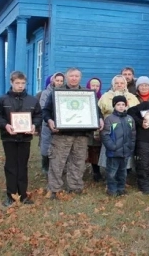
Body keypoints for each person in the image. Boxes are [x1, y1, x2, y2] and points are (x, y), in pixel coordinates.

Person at [42, 67, 104, 199]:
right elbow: (46, 111)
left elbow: (97, 111)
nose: (74, 78)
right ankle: (54, 188)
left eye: (77, 76)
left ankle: (75, 186)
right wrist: (50, 121)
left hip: (81, 134)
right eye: (71, 76)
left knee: (78, 161)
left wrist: (100, 119)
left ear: (80, 78)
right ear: (67, 77)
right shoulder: (57, 92)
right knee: (57, 162)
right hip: (61, 135)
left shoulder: (88, 94)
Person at [0, 71, 42, 206]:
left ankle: (23, 195)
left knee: (23, 166)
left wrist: (34, 125)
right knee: (11, 166)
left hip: (25, 138)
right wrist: (5, 125)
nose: (20, 86)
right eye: (17, 83)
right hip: (9, 138)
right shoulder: (2, 100)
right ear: (11, 83)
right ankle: (11, 195)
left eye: (23, 83)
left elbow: (38, 115)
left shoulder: (32, 100)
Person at [98, 75, 139, 169]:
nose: (119, 85)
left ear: (125, 84)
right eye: (117, 83)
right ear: (113, 84)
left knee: (125, 158)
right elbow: (99, 113)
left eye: (122, 83)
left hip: (126, 131)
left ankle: (124, 177)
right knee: (110, 154)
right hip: (110, 131)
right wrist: (97, 133)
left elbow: (137, 114)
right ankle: (109, 177)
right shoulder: (105, 97)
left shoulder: (132, 98)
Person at [101, 96, 136, 196]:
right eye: (118, 105)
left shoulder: (130, 119)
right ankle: (112, 189)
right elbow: (105, 135)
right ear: (114, 106)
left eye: (123, 105)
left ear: (126, 105)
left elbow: (133, 134)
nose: (121, 107)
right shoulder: (110, 119)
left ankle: (121, 188)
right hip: (114, 152)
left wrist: (131, 147)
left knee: (123, 172)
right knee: (112, 172)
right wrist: (112, 147)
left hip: (125, 152)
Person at [39, 72, 65, 175]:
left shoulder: (65, 91)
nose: (59, 82)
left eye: (61, 81)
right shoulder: (46, 93)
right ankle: (45, 164)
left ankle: (58, 167)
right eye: (57, 80)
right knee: (46, 144)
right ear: (53, 81)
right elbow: (43, 107)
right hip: (48, 122)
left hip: (62, 123)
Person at [85, 77, 103, 182]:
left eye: (97, 86)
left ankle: (97, 171)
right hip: (87, 128)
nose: (95, 88)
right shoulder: (85, 97)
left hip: (98, 128)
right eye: (93, 86)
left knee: (97, 150)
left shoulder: (101, 97)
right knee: (88, 149)